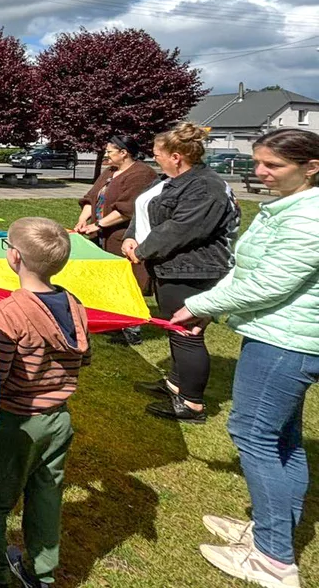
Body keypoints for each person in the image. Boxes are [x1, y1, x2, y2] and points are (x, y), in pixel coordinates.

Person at [171, 129, 319, 587]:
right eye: (258, 162)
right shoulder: (291, 208)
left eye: (273, 165)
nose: (260, 172)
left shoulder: (308, 218)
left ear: (311, 167)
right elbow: (247, 273)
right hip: (278, 335)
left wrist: (198, 304)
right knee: (282, 439)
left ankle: (274, 560)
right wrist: (211, 306)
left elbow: (269, 284)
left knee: (253, 436)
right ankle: (271, 530)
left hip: (285, 344)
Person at [0, 218, 90, 588]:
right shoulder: (75, 305)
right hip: (58, 419)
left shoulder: (11, 311)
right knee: (46, 494)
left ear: (14, 257)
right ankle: (42, 573)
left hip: (16, 421)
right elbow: (84, 357)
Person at [122, 122, 239, 423]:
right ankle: (176, 383)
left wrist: (143, 251)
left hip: (192, 270)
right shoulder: (170, 180)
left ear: (176, 156)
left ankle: (191, 403)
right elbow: (144, 209)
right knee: (175, 329)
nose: (154, 158)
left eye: (157, 154)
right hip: (170, 267)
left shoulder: (205, 186)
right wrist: (130, 237)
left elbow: (181, 228)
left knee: (187, 332)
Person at [74, 137, 159, 289]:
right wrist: (82, 220)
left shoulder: (142, 174)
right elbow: (91, 197)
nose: (106, 155)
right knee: (100, 284)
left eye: (109, 152)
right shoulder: (110, 171)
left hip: (122, 238)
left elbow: (127, 209)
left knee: (122, 285)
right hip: (100, 236)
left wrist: (98, 225)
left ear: (123, 153)